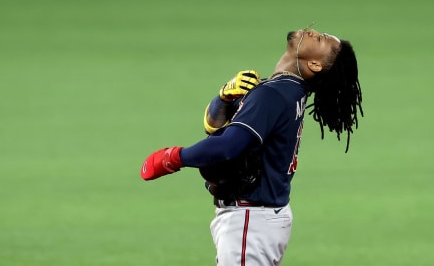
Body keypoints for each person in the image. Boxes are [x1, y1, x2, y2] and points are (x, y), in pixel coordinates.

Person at [140, 25, 363, 266]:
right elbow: (215, 127)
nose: (311, 31)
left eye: (319, 39)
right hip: (259, 219)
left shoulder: (274, 95)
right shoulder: (284, 90)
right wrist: (223, 98)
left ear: (315, 65)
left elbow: (228, 146)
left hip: (251, 220)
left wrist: (173, 158)